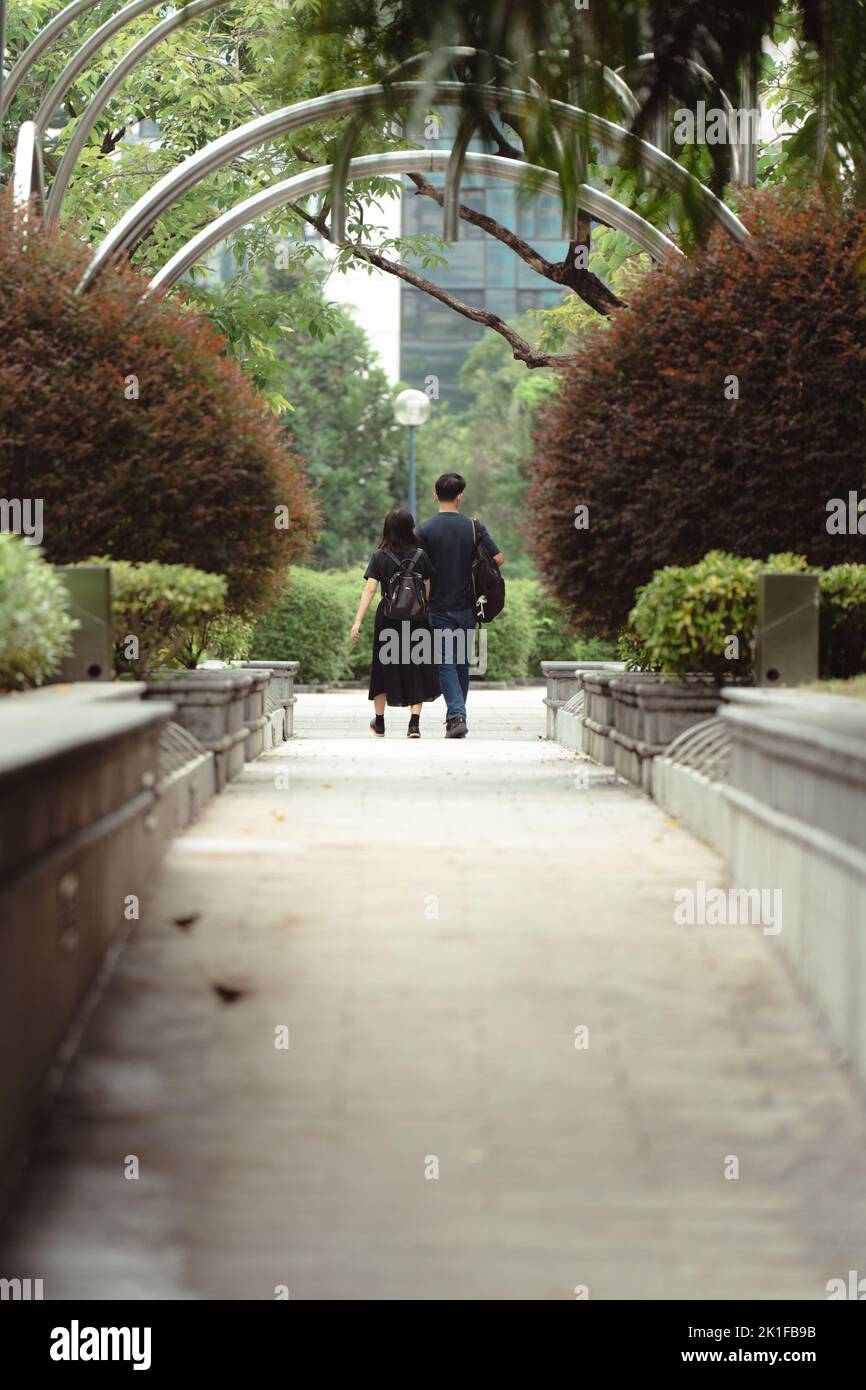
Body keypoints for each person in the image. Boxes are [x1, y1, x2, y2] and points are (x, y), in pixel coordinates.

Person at [415, 473, 504, 739]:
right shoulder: (473, 527)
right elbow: (498, 558)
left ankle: (456, 716)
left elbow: (417, 568)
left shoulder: (424, 530)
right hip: (467, 606)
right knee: (462, 662)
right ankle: (457, 716)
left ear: (435, 495)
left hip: (438, 607)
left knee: (445, 662)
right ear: (459, 497)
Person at [351, 508, 441, 738]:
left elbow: (370, 589)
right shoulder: (421, 555)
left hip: (388, 619)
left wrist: (357, 621)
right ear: (410, 528)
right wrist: (419, 606)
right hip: (416, 619)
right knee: (416, 666)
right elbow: (427, 589)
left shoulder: (380, 556)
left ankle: (380, 723)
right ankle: (414, 724)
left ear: (387, 529)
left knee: (383, 667)